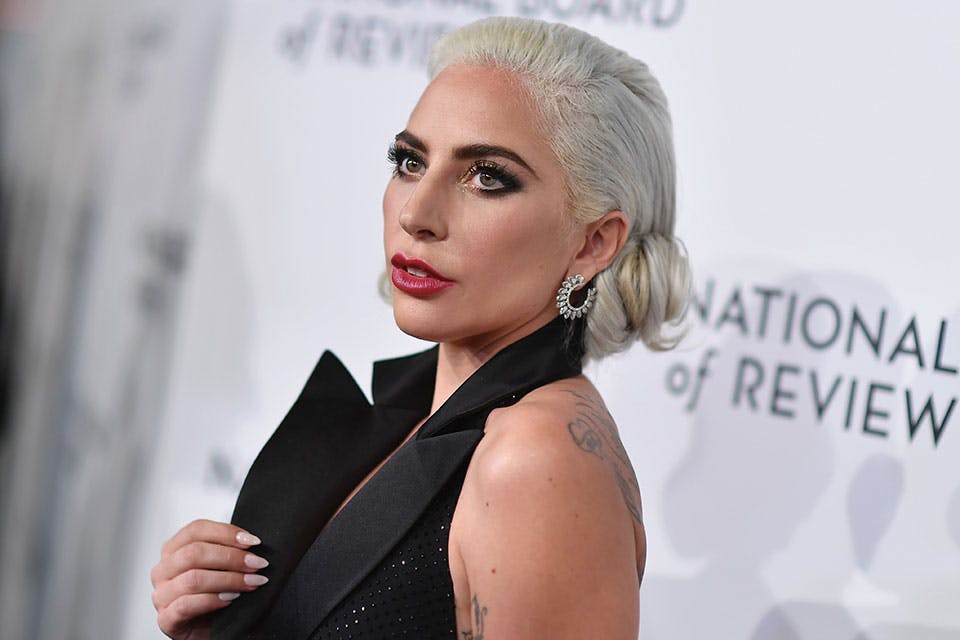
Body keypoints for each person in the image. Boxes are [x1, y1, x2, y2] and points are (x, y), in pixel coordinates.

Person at [151, 16, 690, 640]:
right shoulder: (421, 417)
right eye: (410, 162)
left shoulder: (535, 459)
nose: (416, 213)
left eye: (487, 177)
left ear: (594, 242)